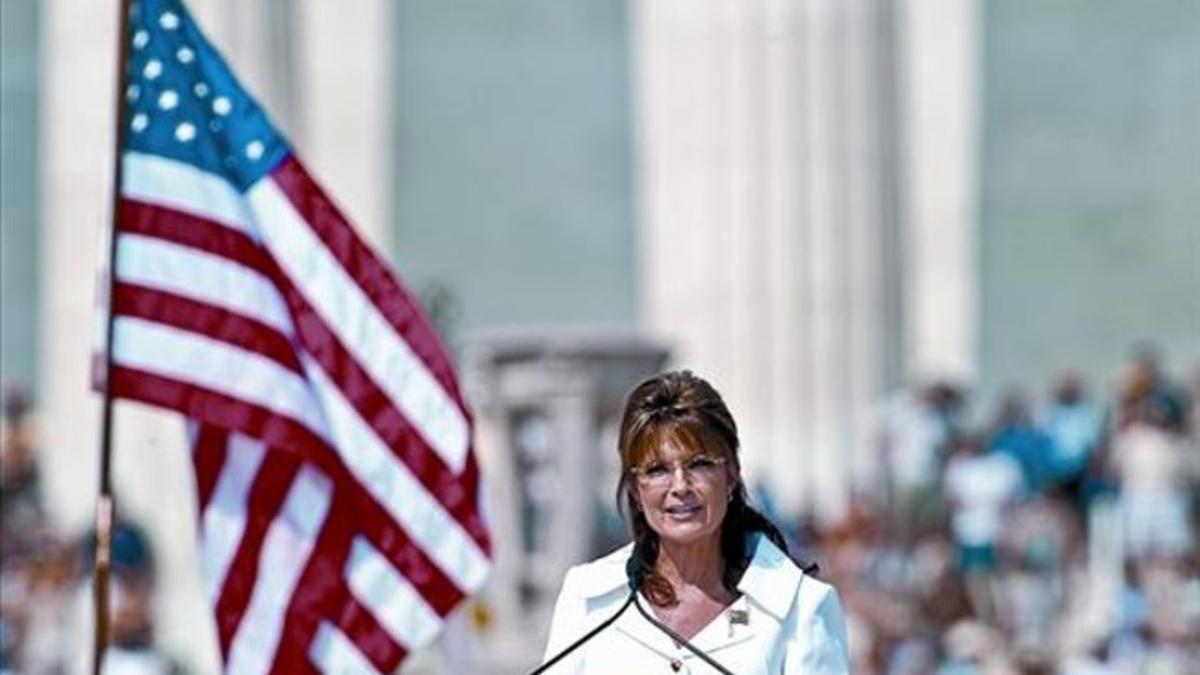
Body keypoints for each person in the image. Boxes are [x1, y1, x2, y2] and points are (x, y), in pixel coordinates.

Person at [541, 370, 850, 673]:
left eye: (699, 464)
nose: (680, 487)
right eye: (657, 470)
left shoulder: (802, 606)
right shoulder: (587, 597)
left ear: (730, 476)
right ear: (636, 489)